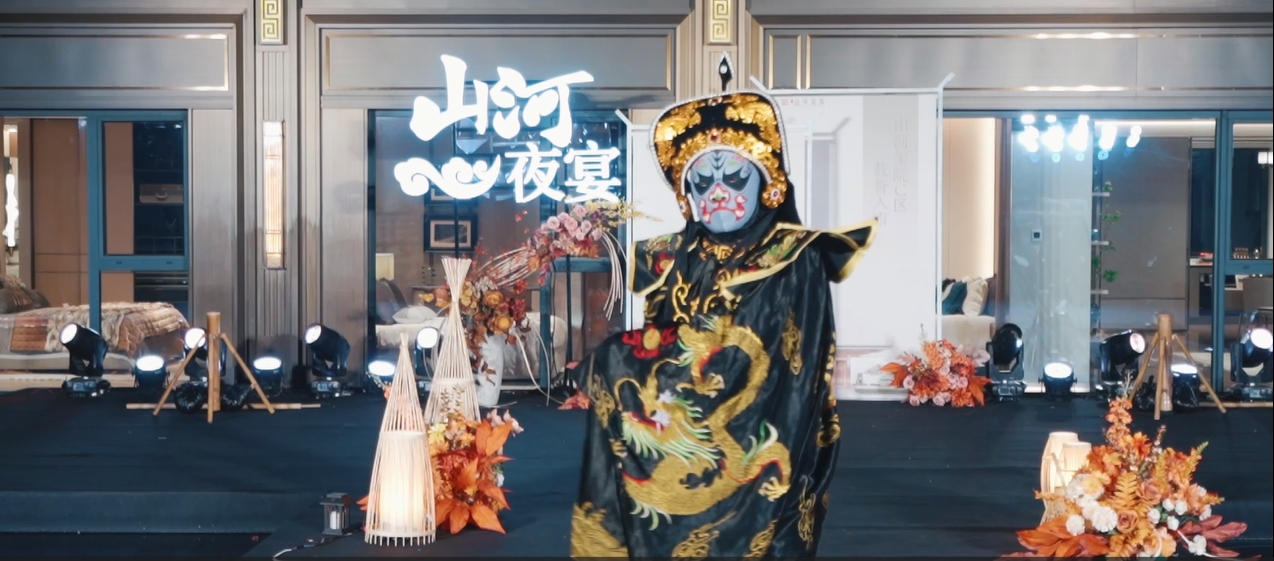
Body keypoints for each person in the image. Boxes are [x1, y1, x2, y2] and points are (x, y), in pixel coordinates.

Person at [568, 91, 876, 558]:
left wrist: (616, 358)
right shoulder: (671, 258)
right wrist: (632, 368)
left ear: (768, 183)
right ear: (686, 194)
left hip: (763, 429)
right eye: (702, 181)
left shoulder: (794, 257)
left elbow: (768, 356)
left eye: (734, 177)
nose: (717, 193)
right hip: (679, 434)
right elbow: (660, 349)